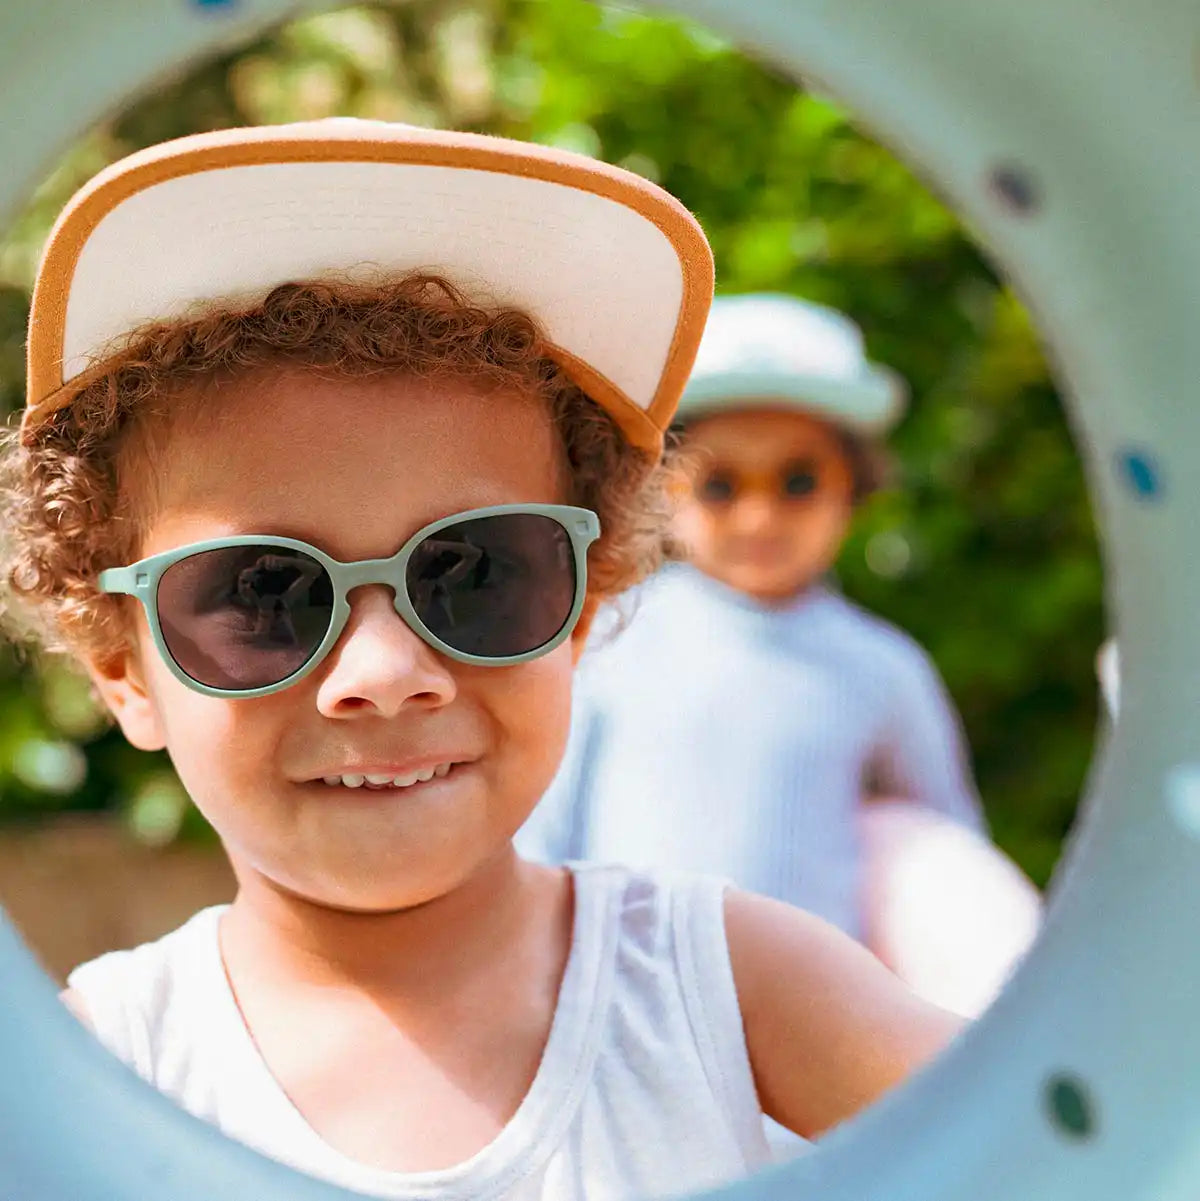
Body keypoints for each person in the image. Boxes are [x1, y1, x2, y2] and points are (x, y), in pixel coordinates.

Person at [0, 121, 962, 1201]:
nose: (385, 668)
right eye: (265, 592)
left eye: (477, 573)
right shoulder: (93, 1073)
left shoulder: (729, 985)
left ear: (582, 609)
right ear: (121, 665)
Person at [517, 293, 1039, 1019]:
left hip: (817, 1041)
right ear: (662, 491)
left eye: (797, 481)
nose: (759, 516)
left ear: (853, 487)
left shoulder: (883, 667)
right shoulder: (609, 635)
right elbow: (540, 832)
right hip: (619, 1014)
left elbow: (947, 868)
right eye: (721, 485)